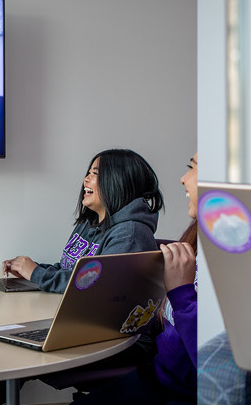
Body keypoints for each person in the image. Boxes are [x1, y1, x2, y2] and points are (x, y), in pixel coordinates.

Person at [73, 154, 198, 404]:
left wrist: (181, 292)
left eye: (193, 168)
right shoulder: (196, 239)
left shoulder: (130, 233)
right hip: (161, 374)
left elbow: (214, 360)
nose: (183, 178)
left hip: (176, 385)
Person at [2, 148, 163, 293]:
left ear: (119, 181)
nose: (86, 179)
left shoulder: (130, 235)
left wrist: (36, 274)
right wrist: (28, 269)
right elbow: (70, 271)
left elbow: (95, 286)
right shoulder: (89, 222)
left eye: (95, 174)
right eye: (89, 173)